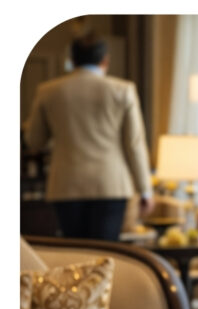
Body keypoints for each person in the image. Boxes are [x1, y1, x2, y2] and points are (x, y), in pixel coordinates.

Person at [24, 32, 153, 241]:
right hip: (110, 185)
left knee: (75, 252)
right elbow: (134, 144)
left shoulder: (47, 91)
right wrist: (145, 190)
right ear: (105, 60)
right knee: (105, 251)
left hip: (65, 185)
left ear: (72, 60)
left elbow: (34, 141)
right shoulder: (123, 90)